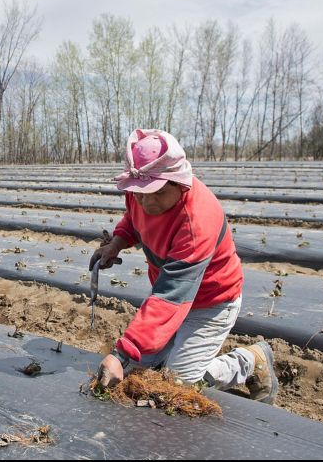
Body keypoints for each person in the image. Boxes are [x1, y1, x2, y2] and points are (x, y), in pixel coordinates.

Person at [91, 129, 278, 404]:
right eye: (139, 194)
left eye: (156, 193)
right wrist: (116, 243)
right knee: (137, 371)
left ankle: (249, 361)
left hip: (211, 302)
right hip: (172, 297)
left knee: (174, 384)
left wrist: (121, 354)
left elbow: (170, 297)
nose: (146, 202)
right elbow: (132, 218)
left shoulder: (196, 222)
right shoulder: (141, 191)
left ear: (179, 183)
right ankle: (175, 352)